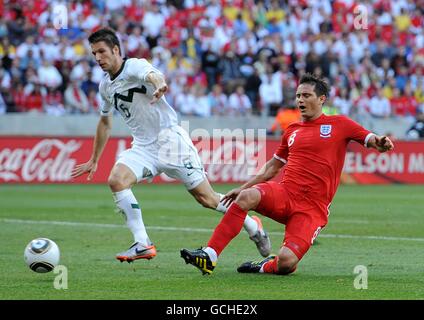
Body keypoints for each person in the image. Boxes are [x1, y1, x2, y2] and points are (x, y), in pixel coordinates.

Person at [71, 28, 271, 263]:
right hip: (143, 147)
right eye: (94, 53)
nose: (97, 58)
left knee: (206, 199)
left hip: (171, 143)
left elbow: (153, 75)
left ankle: (251, 223)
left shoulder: (134, 66)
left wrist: (160, 85)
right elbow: (105, 122)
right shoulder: (105, 86)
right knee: (116, 180)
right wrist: (94, 159)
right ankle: (143, 243)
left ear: (116, 50)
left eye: (102, 51)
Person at [180, 73, 394, 275]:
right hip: (285, 194)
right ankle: (210, 256)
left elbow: (371, 139)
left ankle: (265, 266)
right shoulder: (292, 130)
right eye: (298, 95)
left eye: (307, 95)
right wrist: (243, 188)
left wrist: (381, 142)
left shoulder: (340, 124)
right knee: (247, 197)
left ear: (321, 99)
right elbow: (272, 168)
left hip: (312, 210)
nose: (300, 100)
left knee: (286, 263)